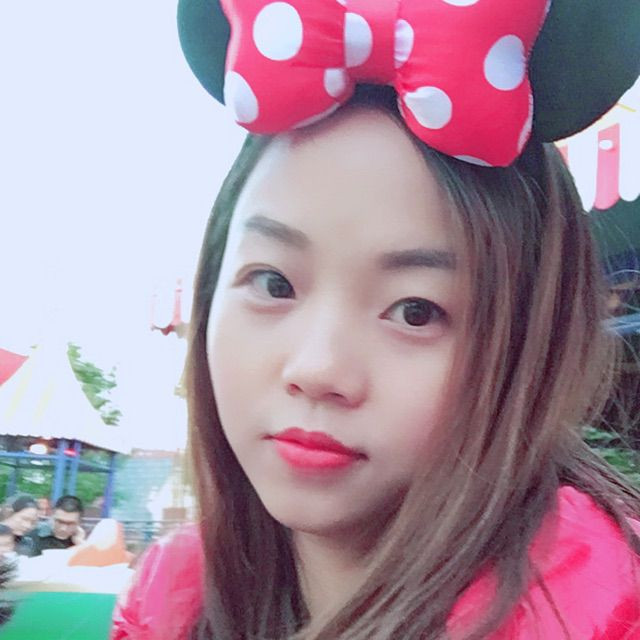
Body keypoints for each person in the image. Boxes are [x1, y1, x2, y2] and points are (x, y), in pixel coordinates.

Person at [112, 1, 640, 638]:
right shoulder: (169, 599)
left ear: (535, 345)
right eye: (274, 283)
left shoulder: (601, 613)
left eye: (416, 312)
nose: (317, 369)